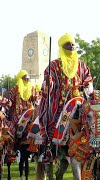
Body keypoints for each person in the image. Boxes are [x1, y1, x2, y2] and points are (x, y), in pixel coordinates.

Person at [35, 33, 93, 180]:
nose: (71, 46)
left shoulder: (81, 64)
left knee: (96, 120)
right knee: (49, 118)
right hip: (59, 103)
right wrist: (49, 83)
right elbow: (48, 81)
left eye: (73, 44)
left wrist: (88, 88)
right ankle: (48, 150)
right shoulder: (54, 64)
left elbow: (88, 80)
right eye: (68, 44)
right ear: (62, 47)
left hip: (78, 101)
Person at [7, 70, 36, 135]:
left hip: (28, 111)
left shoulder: (32, 89)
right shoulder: (14, 89)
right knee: (16, 124)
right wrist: (9, 102)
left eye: (28, 79)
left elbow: (36, 98)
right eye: (25, 79)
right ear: (20, 79)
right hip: (17, 112)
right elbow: (10, 100)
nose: (27, 80)